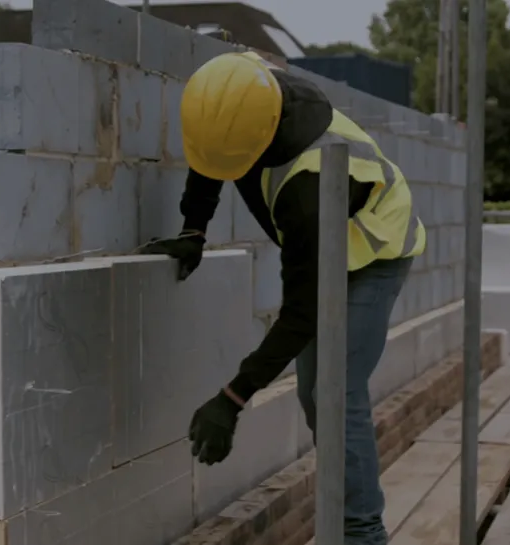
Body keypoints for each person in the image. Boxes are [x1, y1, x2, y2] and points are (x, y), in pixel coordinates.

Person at [140, 52, 426, 544]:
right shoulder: (242, 86)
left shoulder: (307, 187)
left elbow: (302, 313)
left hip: (373, 252)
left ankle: (363, 534)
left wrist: (233, 398)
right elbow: (212, 154)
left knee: (334, 393)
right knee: (315, 395)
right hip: (323, 245)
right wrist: (194, 229)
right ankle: (348, 517)